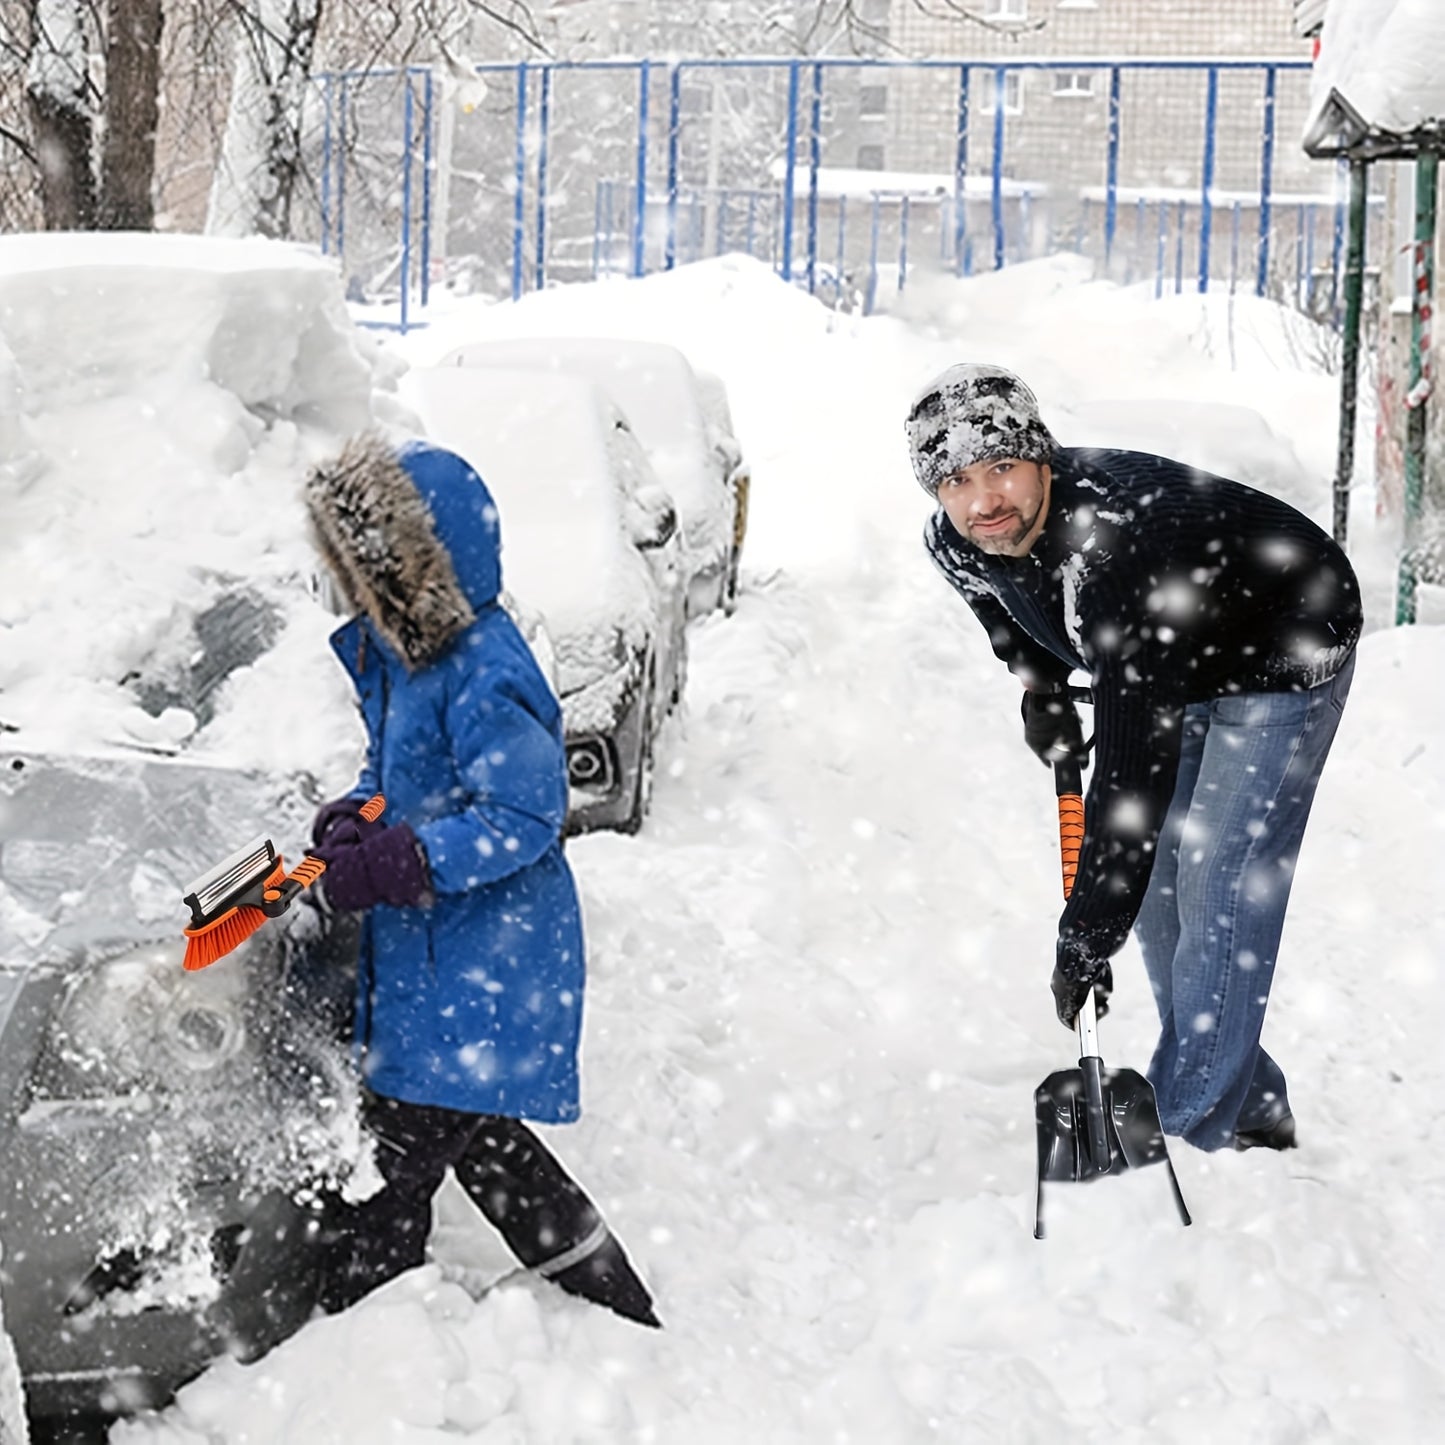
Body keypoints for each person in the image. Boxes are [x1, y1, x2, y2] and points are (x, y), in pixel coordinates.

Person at [906, 363, 1361, 1154]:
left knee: (1217, 869)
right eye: (955, 480)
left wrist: (1084, 934)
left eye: (1003, 468)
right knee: (1153, 888)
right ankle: (1244, 1094)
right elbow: (1001, 605)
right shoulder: (956, 539)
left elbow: (1129, 782)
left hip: (1284, 636)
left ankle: (1189, 1131)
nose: (983, 500)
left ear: (1040, 457)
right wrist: (1038, 683)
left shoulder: (1108, 552)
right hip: (1180, 644)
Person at [302, 432, 658, 1326]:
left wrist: (407, 859)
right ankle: (609, 1297)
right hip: (441, 965)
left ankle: (366, 1323)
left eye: (360, 565)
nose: (346, 585)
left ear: (405, 567)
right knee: (483, 1139)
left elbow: (524, 814)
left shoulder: (483, 668)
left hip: (482, 958)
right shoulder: (402, 660)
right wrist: (362, 815)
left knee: (390, 1162)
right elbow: (403, 778)